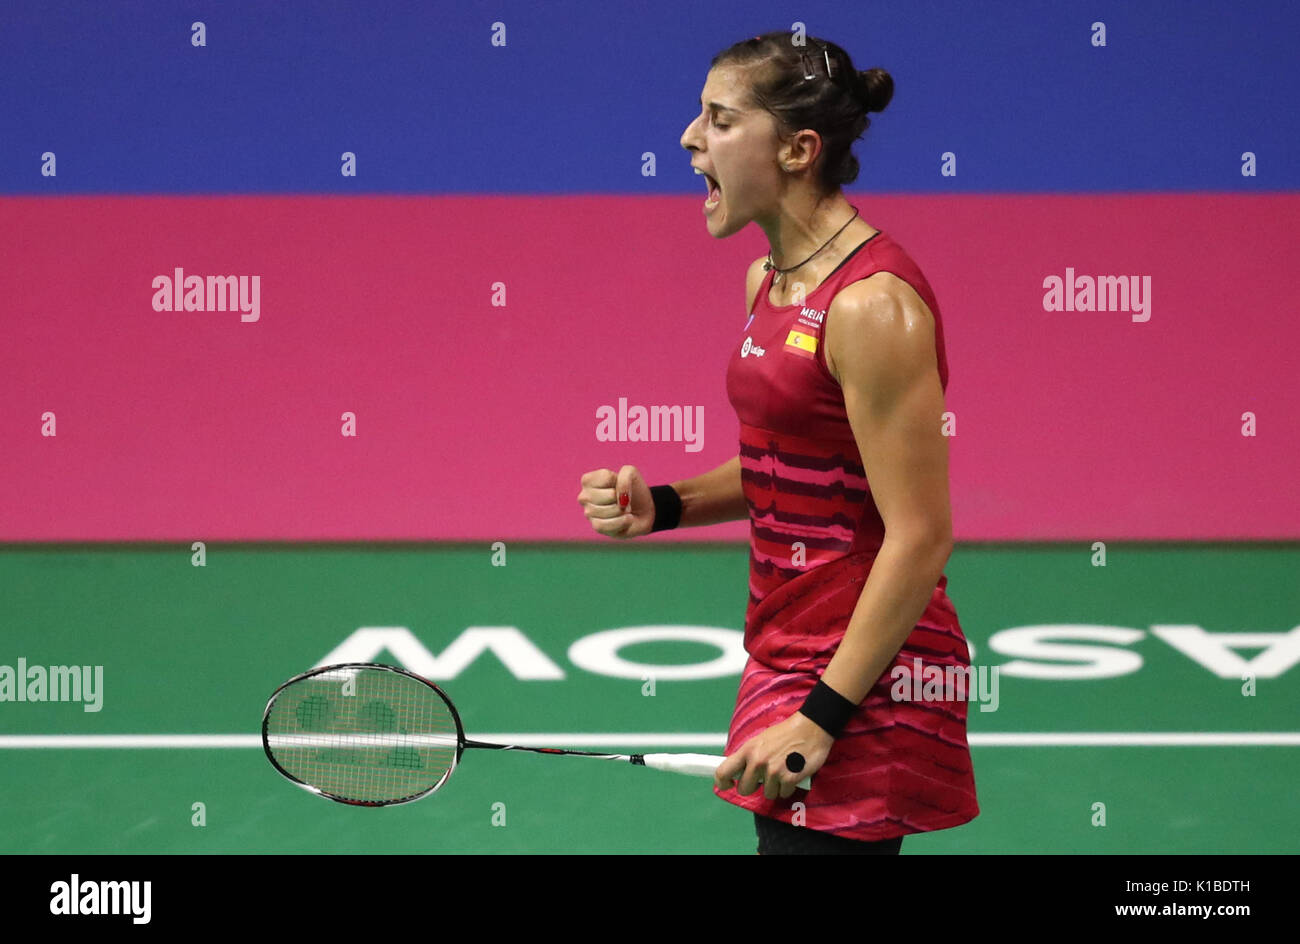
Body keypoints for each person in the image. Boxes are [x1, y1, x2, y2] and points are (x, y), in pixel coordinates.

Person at [577, 32, 978, 854]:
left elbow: (922, 532)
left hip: (865, 666)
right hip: (786, 637)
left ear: (799, 149)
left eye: (720, 120)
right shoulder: (769, 280)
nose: (690, 139)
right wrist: (664, 505)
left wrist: (822, 716)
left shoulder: (872, 307)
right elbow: (794, 464)